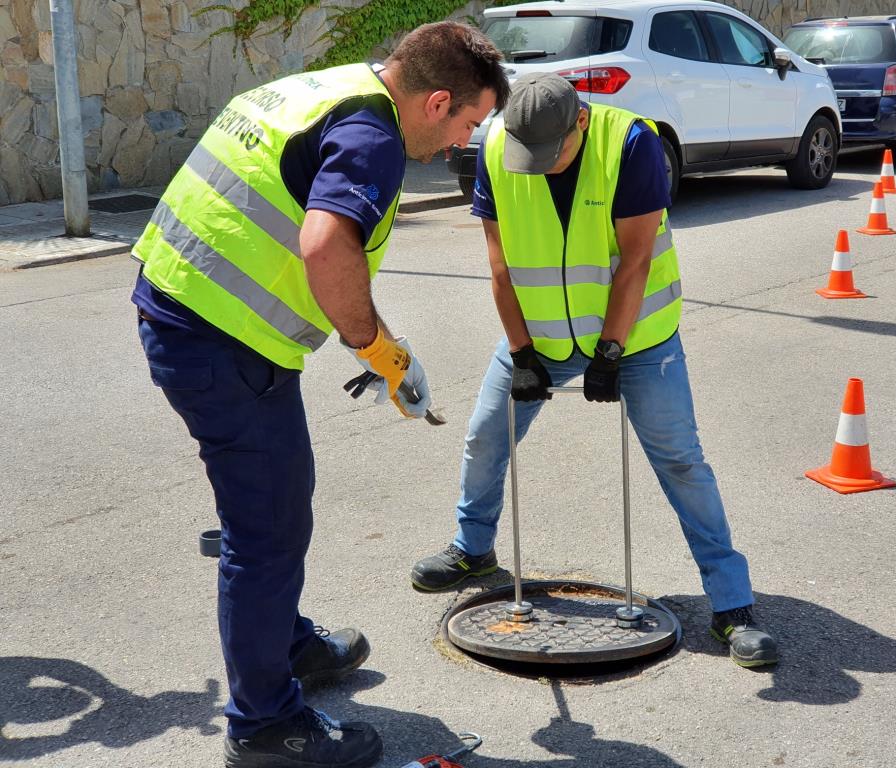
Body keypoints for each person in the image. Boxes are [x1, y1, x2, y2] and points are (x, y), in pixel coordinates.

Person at [131, 22, 509, 768]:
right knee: (265, 532)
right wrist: (378, 348)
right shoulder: (372, 136)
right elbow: (327, 243)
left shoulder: (322, 87)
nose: (465, 142)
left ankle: (287, 646)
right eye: (469, 123)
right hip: (221, 342)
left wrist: (380, 343)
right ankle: (266, 726)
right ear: (436, 102)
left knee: (277, 503)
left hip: (181, 305)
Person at [410, 73, 778, 669]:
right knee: (485, 435)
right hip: (541, 336)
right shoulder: (498, 149)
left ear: (580, 120)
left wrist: (609, 352)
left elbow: (634, 261)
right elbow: (500, 266)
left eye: (552, 155)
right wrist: (522, 352)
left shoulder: (631, 144)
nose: (543, 166)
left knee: (681, 460)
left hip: (636, 339)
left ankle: (731, 606)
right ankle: (472, 550)